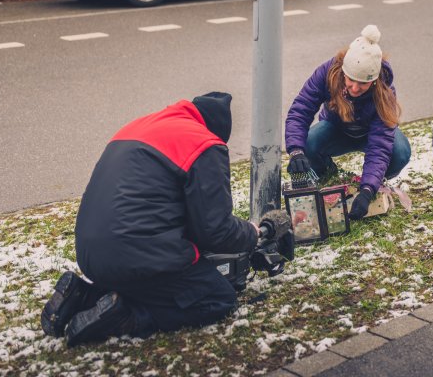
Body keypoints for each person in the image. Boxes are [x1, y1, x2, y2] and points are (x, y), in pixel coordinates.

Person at [41, 92, 265, 347]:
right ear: (218, 130)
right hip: (136, 256)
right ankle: (127, 318)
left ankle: (83, 296)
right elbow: (215, 231)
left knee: (145, 285)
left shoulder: (140, 127)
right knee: (217, 297)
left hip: (91, 255)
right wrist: (251, 233)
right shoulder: (204, 143)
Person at [284, 25, 411, 220]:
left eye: (363, 83)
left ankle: (377, 181)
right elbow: (301, 110)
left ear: (374, 80)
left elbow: (380, 144)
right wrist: (295, 151)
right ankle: (327, 172)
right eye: (350, 79)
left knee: (400, 152)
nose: (355, 87)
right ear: (344, 71)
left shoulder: (384, 92)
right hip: (337, 129)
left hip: (370, 134)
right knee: (309, 143)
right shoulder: (327, 73)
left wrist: (368, 189)